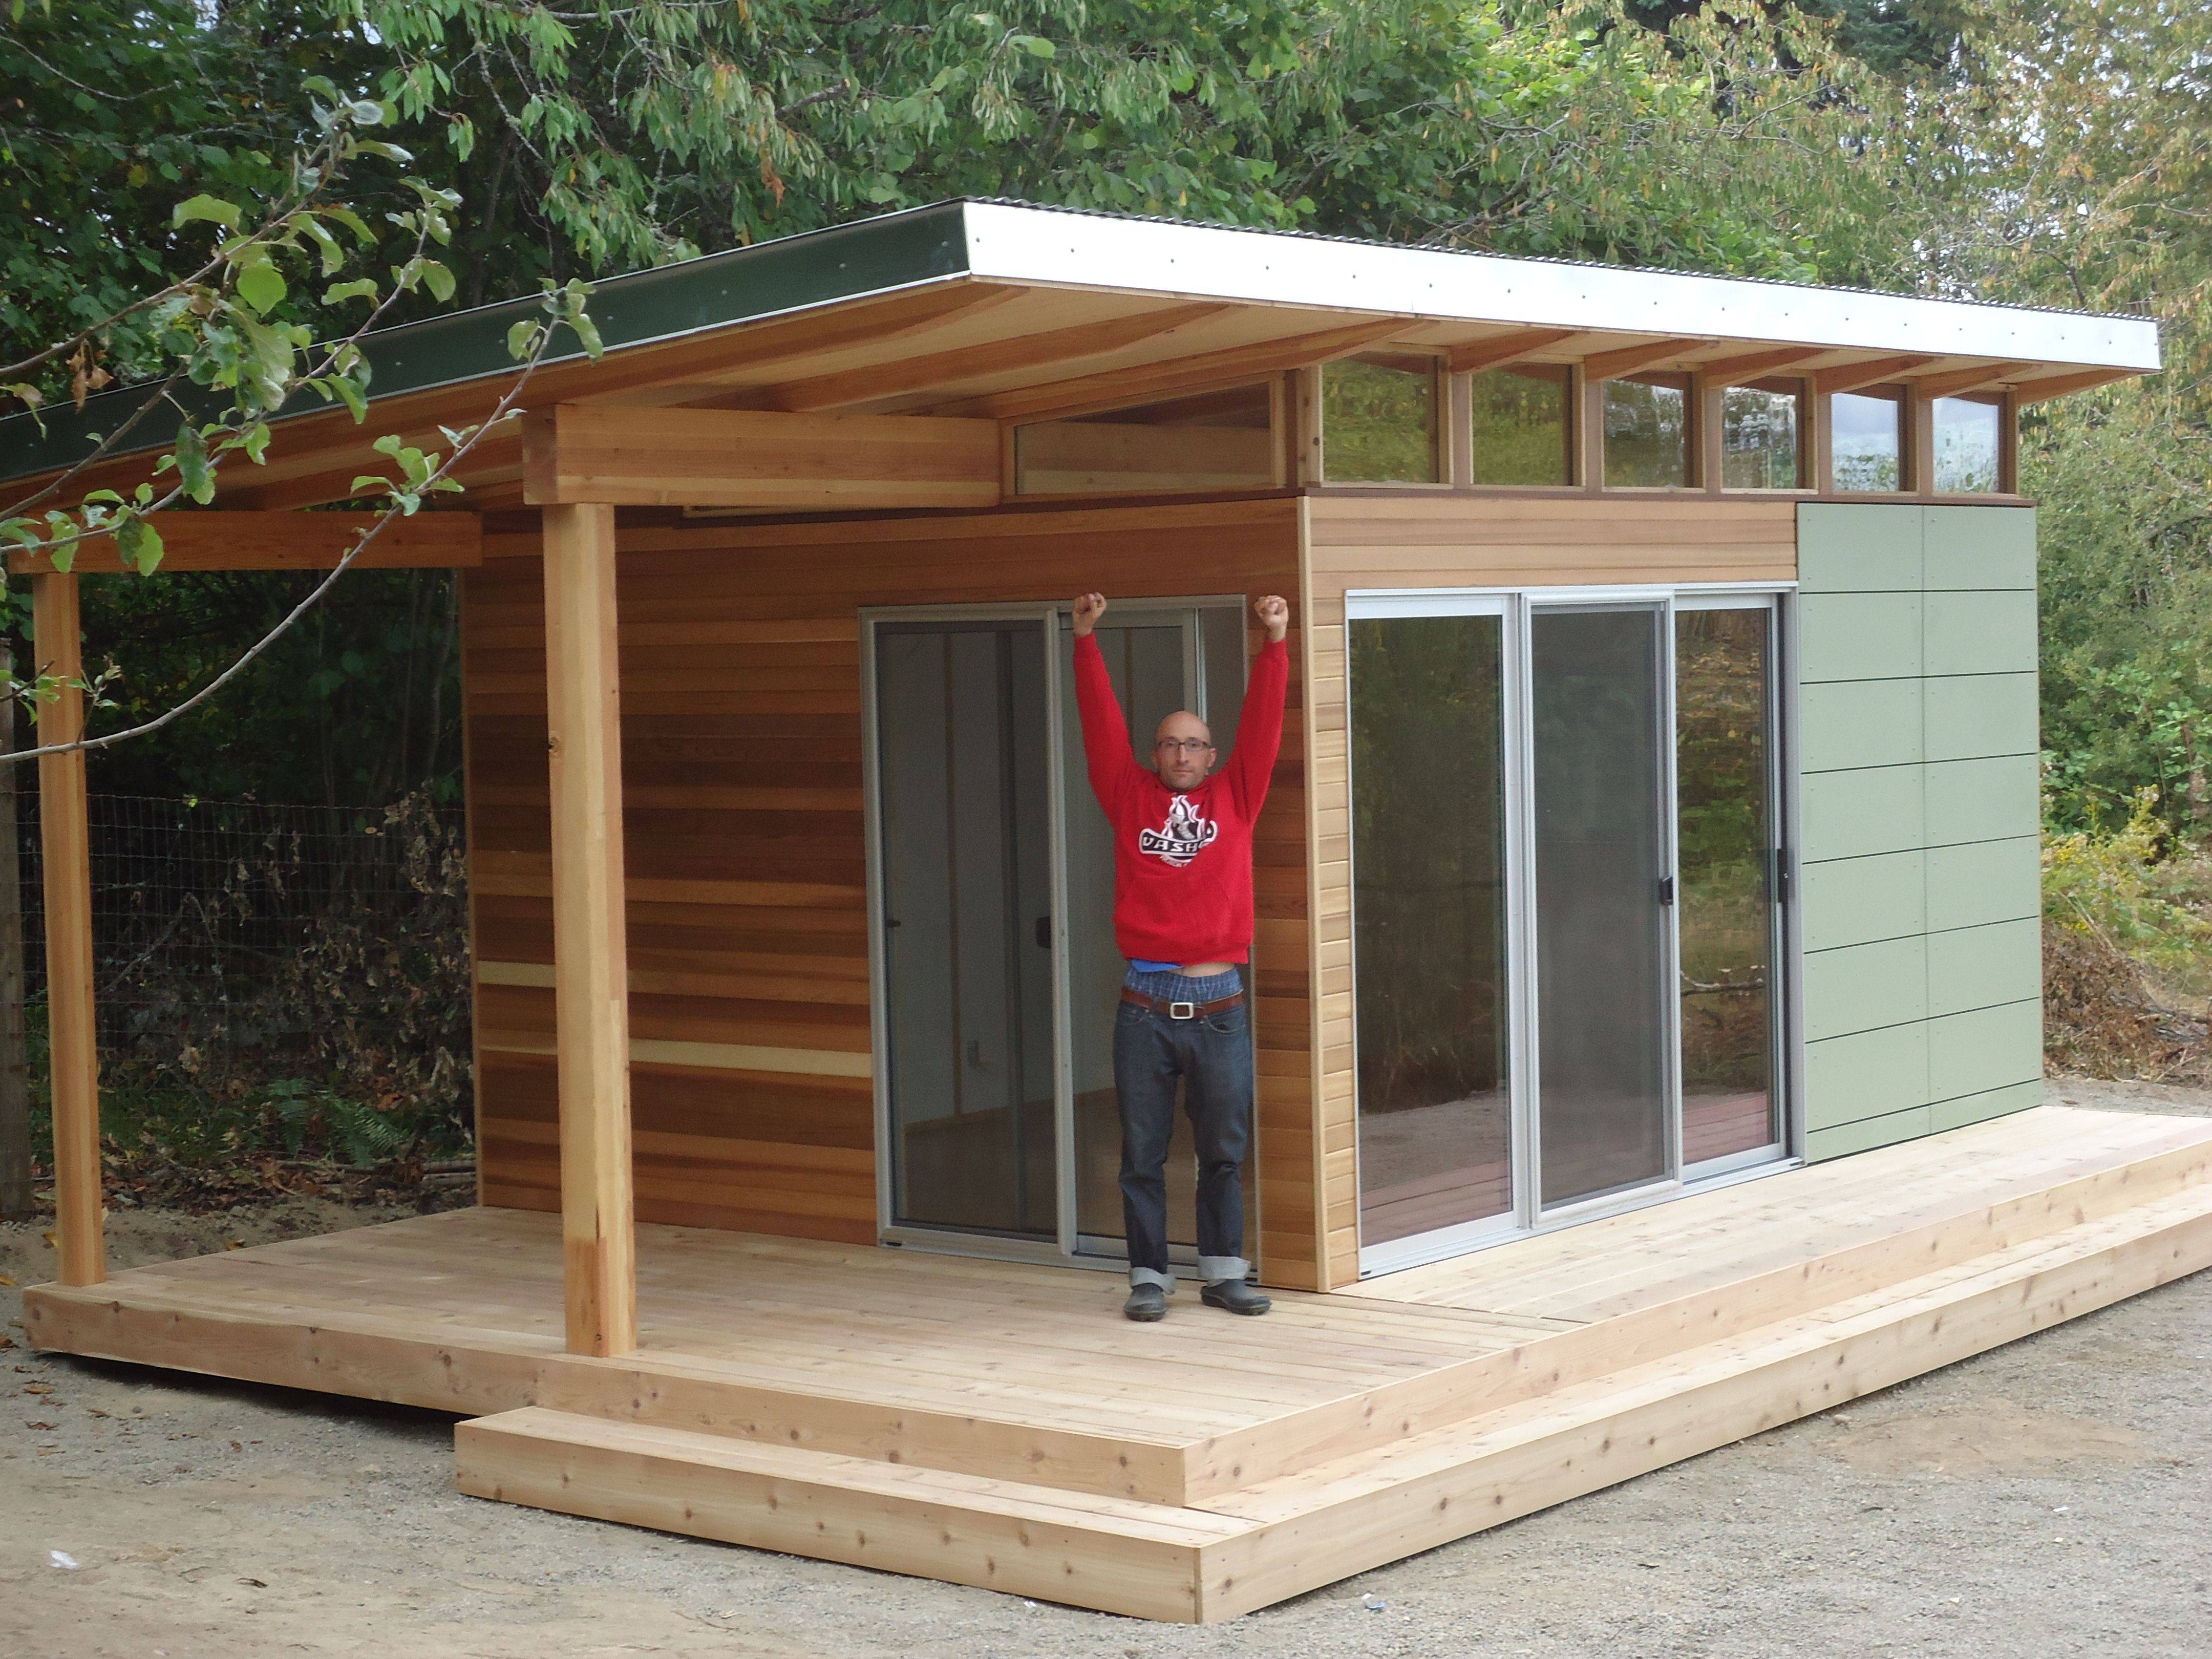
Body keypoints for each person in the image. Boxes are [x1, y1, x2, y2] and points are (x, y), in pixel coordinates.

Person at [1070, 591, 1290, 1322]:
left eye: (1194, 744)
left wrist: (1275, 643)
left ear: (1213, 756)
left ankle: (1225, 1273)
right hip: (1145, 1008)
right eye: (1169, 743)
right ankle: (1149, 1278)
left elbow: (1264, 726)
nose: (1182, 754)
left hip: (1220, 1006)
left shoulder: (1240, 795)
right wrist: (1085, 642)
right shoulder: (1127, 794)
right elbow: (1099, 728)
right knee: (1142, 1152)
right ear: (1154, 753)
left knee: (1222, 1150)